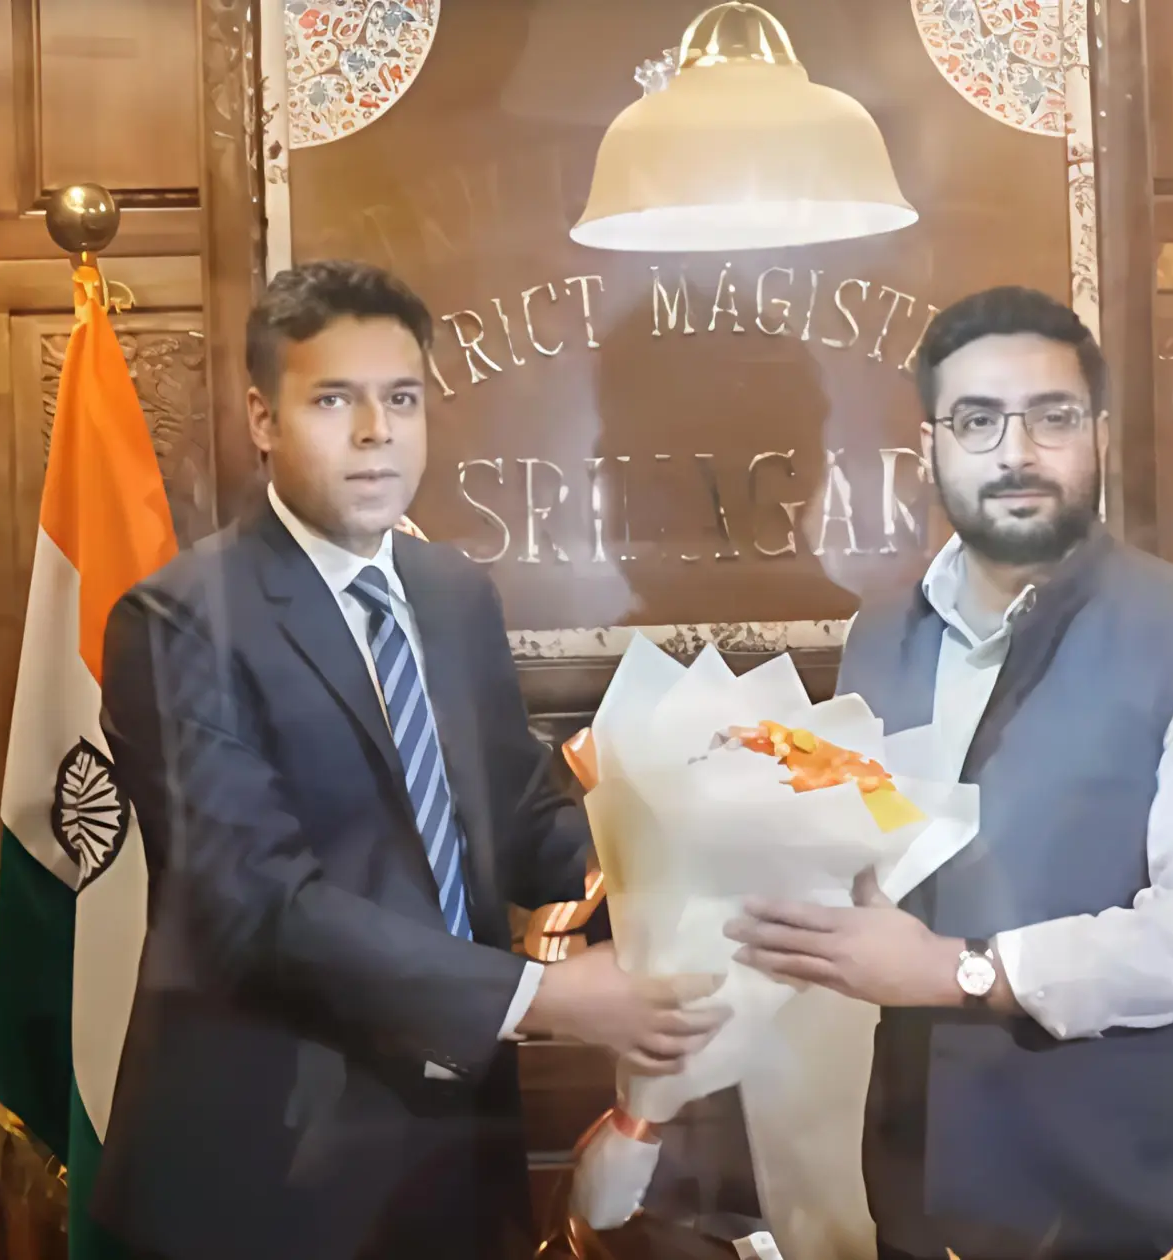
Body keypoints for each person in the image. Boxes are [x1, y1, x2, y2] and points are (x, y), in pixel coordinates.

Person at [91, 260, 727, 1260]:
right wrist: (545, 997)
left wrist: (697, 877)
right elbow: (257, 905)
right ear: (262, 418)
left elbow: (518, 818)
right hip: (267, 1169)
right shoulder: (179, 620)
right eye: (332, 400)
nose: (375, 432)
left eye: (400, 399)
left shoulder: (451, 594)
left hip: (455, 1154)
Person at [728, 286, 1173, 1260]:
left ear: (1099, 436)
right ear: (931, 449)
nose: (1017, 452)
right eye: (978, 420)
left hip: (1118, 1212)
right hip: (913, 1203)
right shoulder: (878, 637)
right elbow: (873, 856)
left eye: (1052, 417)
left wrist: (961, 971)